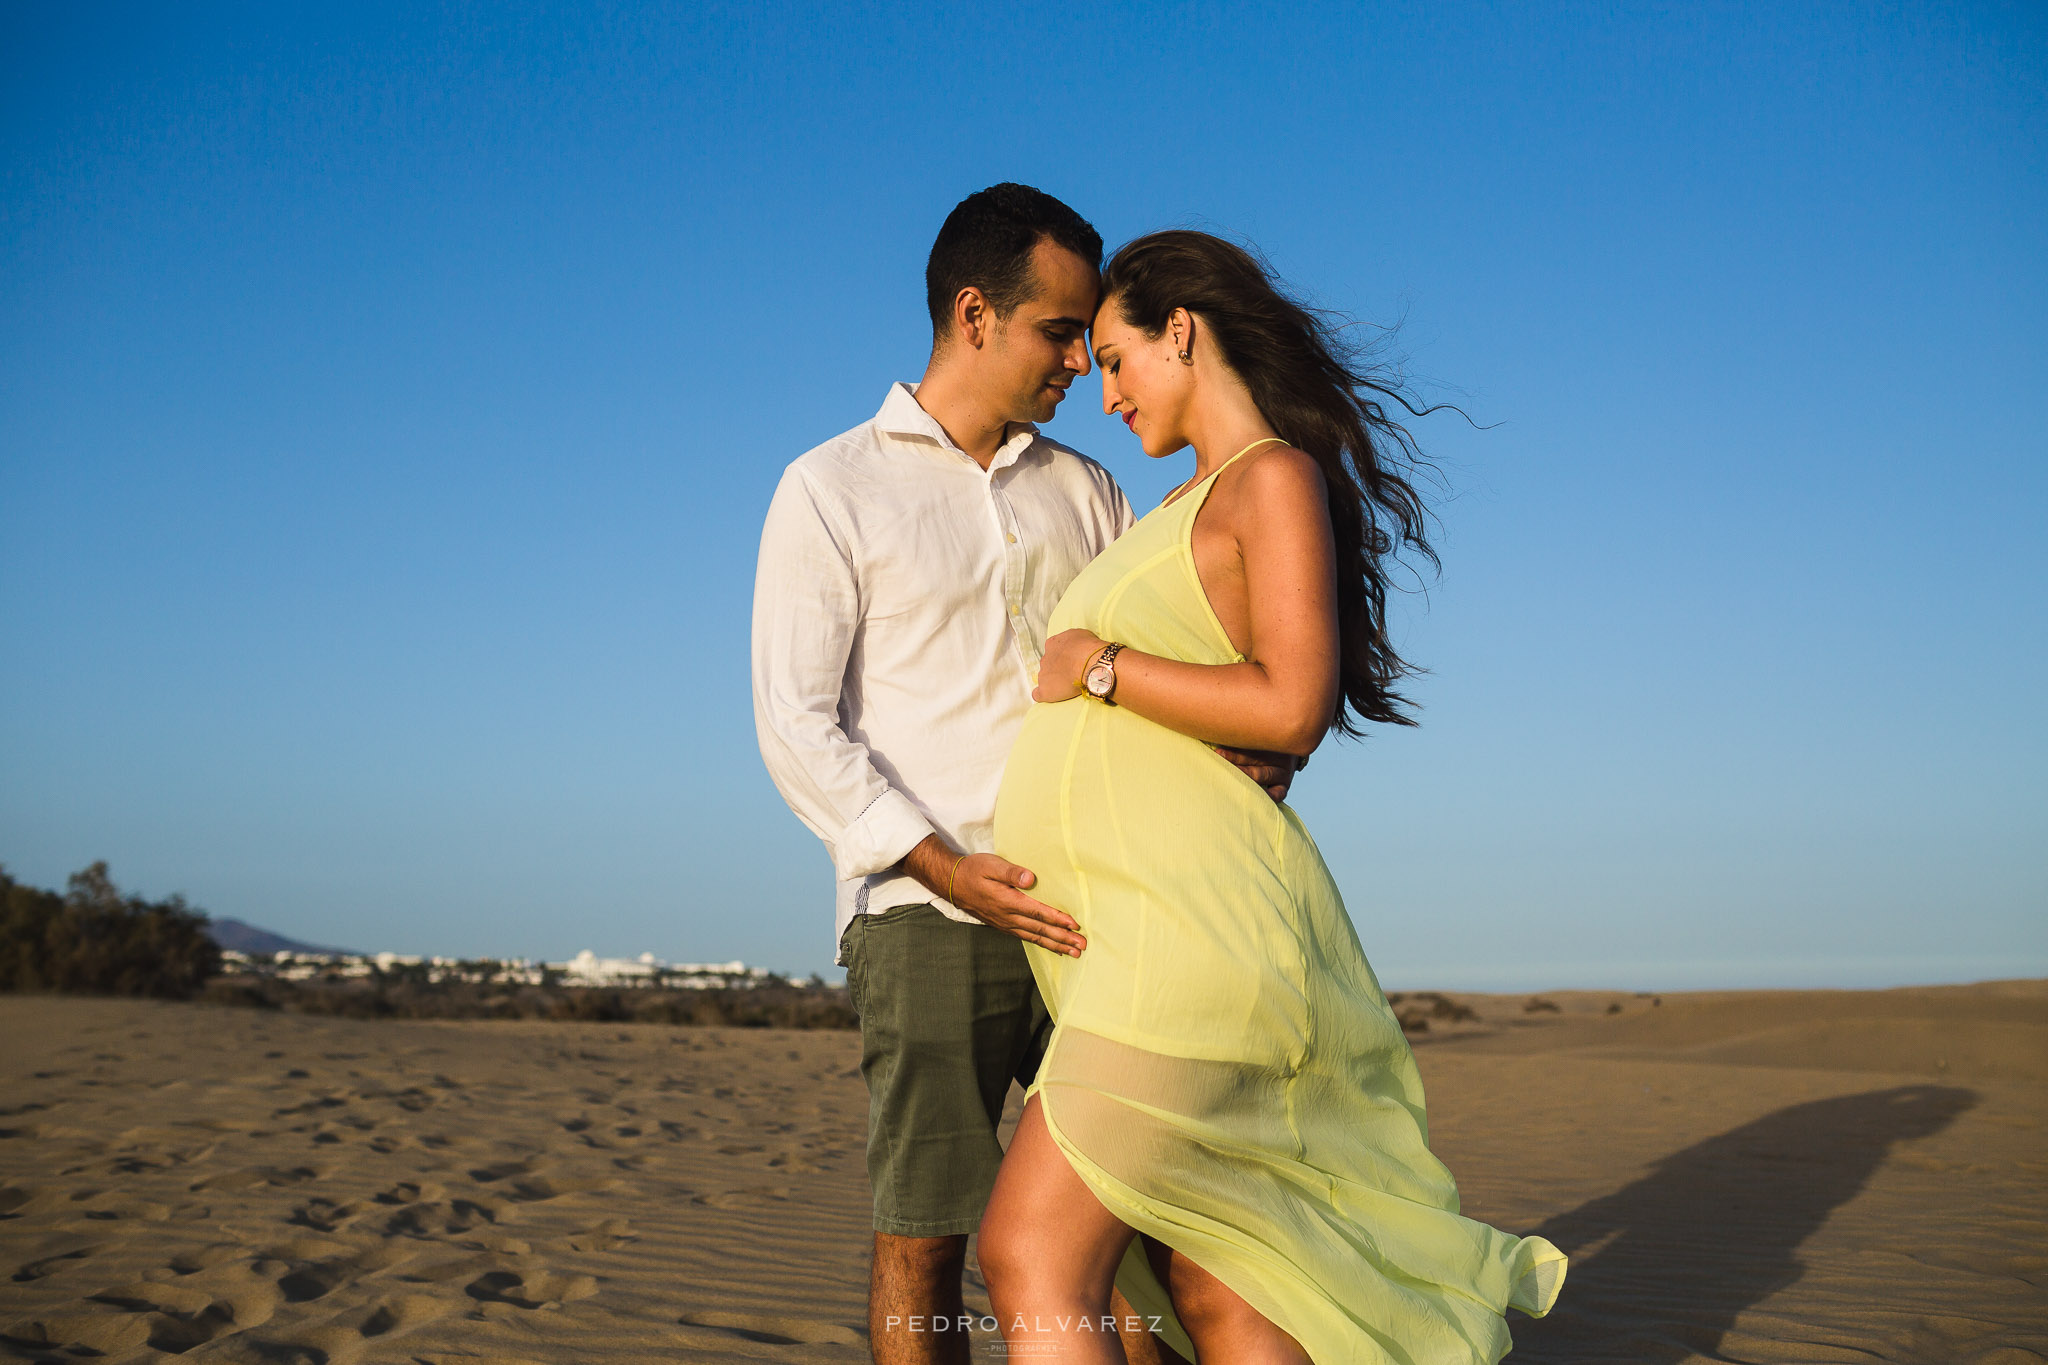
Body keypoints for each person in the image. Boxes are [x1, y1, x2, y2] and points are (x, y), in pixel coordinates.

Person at [981, 230, 1568, 1364]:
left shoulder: (1269, 478)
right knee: (1224, 1291)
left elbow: (1288, 703)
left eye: (1114, 359)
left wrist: (1100, 666)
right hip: (1147, 943)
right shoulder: (1178, 505)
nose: (1099, 397)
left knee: (1030, 1257)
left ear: (1181, 333)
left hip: (1192, 948)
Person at [751, 187, 1295, 1365]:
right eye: (1059, 332)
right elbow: (796, 726)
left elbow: (1134, 679)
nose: (1079, 362)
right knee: (928, 1236)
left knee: (1130, 1227)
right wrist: (946, 867)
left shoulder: (1084, 490)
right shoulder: (829, 487)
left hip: (1100, 911)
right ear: (974, 313)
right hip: (927, 909)